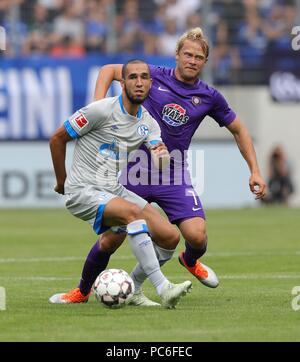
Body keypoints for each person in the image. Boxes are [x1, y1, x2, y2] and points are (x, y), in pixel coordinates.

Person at [58, 27, 267, 307]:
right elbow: (108, 69)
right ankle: (82, 291)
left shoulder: (209, 96)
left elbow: (239, 130)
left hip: (172, 171)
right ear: (177, 55)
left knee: (196, 236)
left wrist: (254, 170)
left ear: (205, 62)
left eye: (199, 57)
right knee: (110, 240)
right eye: (188, 54)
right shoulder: (151, 76)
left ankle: (188, 261)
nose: (192, 60)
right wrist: (99, 106)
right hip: (134, 169)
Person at [48, 59, 192, 309]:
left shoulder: (148, 122)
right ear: (122, 82)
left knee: (169, 237)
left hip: (112, 189)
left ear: (150, 83)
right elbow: (57, 139)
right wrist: (62, 181)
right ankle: (163, 287)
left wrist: (161, 156)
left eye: (144, 77)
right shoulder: (100, 110)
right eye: (133, 77)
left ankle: (126, 289)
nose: (139, 82)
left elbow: (159, 155)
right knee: (131, 214)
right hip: (82, 190)